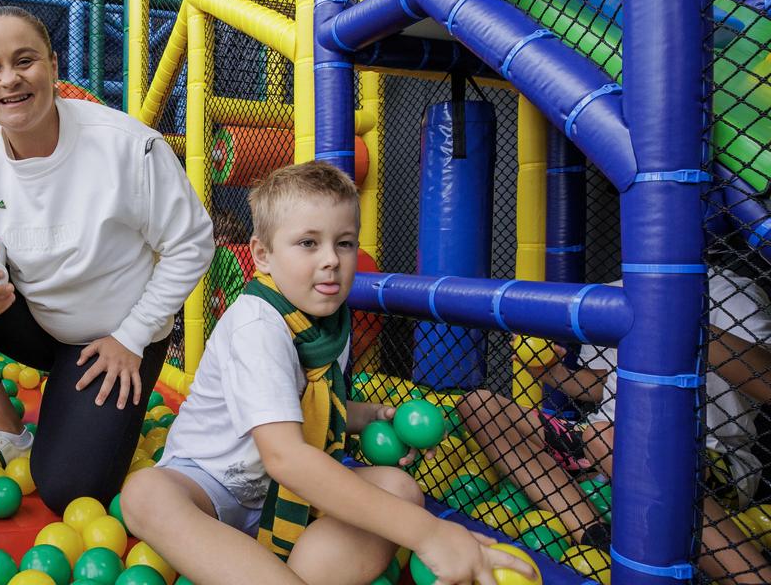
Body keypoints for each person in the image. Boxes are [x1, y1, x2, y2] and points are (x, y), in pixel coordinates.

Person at [121, 162, 533, 585]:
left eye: (345, 243)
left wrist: (367, 416)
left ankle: (280, 574)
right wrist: (430, 533)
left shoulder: (331, 319)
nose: (331, 261)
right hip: (209, 486)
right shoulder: (258, 326)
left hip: (289, 499)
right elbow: (285, 456)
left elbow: (308, 402)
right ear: (262, 255)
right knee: (146, 494)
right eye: (307, 243)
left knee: (400, 488)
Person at [0, 6, 214, 512]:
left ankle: (76, 397)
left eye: (24, 60)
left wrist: (132, 337)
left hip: (114, 340)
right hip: (37, 322)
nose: (10, 80)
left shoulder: (127, 148)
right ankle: (4, 429)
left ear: (51, 64)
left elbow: (193, 241)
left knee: (71, 489)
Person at [457, 269, 771, 584]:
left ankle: (749, 576)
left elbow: (765, 382)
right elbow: (609, 383)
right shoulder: (617, 294)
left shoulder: (731, 292)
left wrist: (682, 322)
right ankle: (593, 533)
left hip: (702, 456)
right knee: (479, 406)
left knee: (607, 437)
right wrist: (553, 373)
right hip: (600, 442)